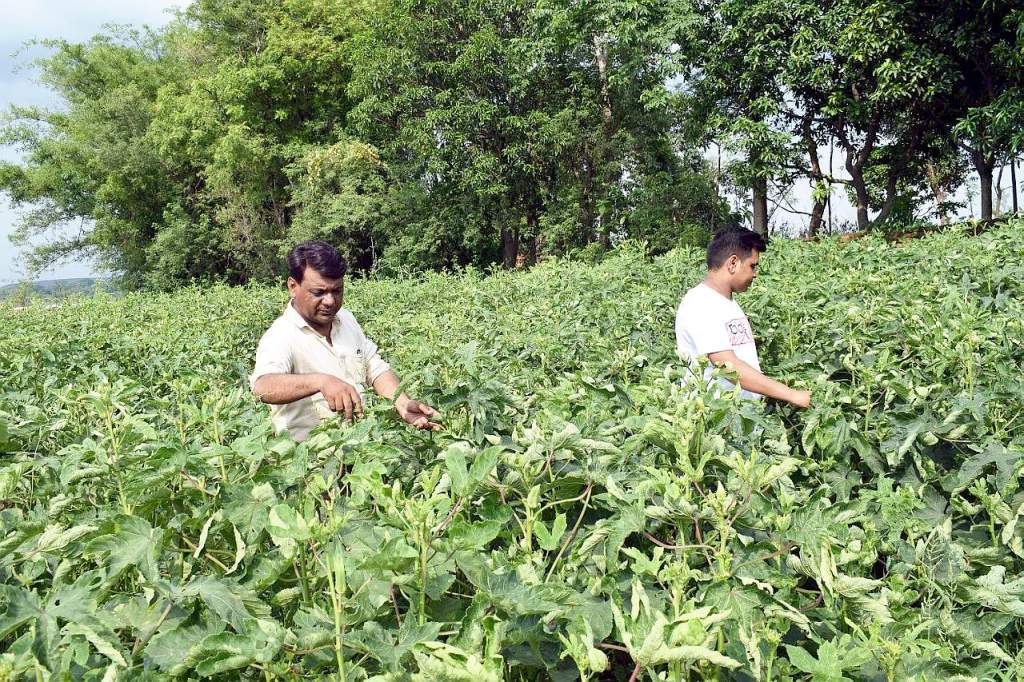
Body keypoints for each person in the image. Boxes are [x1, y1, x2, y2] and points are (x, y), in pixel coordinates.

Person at [251, 240, 440, 441]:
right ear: (292, 287)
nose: (330, 301)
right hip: (311, 461)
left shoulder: (346, 320)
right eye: (319, 292)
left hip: (359, 450)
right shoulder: (281, 335)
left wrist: (402, 403)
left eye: (337, 290)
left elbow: (374, 367)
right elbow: (263, 386)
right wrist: (321, 381)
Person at [675, 227, 811, 407]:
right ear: (732, 263)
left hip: (738, 419)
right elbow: (727, 366)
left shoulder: (726, 302)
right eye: (752, 266)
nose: (755, 274)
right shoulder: (700, 303)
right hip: (716, 420)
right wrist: (791, 394)